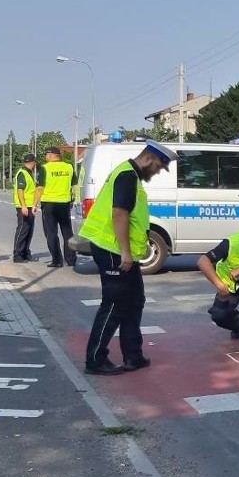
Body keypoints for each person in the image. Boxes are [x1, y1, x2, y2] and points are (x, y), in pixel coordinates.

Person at [81, 139, 177, 376]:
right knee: (114, 305)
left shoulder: (131, 176)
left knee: (134, 301)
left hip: (124, 253)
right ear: (148, 159)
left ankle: (133, 355)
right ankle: (95, 360)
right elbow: (119, 214)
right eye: (157, 167)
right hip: (113, 250)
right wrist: (125, 251)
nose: (156, 173)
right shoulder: (126, 176)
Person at [37, 146, 78, 268]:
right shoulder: (69, 167)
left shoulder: (45, 168)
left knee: (51, 233)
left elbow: (40, 188)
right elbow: (75, 185)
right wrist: (75, 200)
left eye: (46, 155)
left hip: (49, 205)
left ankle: (57, 260)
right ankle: (71, 259)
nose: (45, 157)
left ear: (50, 155)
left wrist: (35, 204)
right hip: (64, 204)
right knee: (67, 233)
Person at [12, 154, 39, 263]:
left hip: (29, 206)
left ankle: (25, 252)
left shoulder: (29, 173)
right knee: (23, 229)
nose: (35, 164)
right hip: (23, 206)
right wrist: (23, 206)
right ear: (32, 162)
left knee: (29, 230)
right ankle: (17, 254)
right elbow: (20, 190)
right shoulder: (22, 173)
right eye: (35, 162)